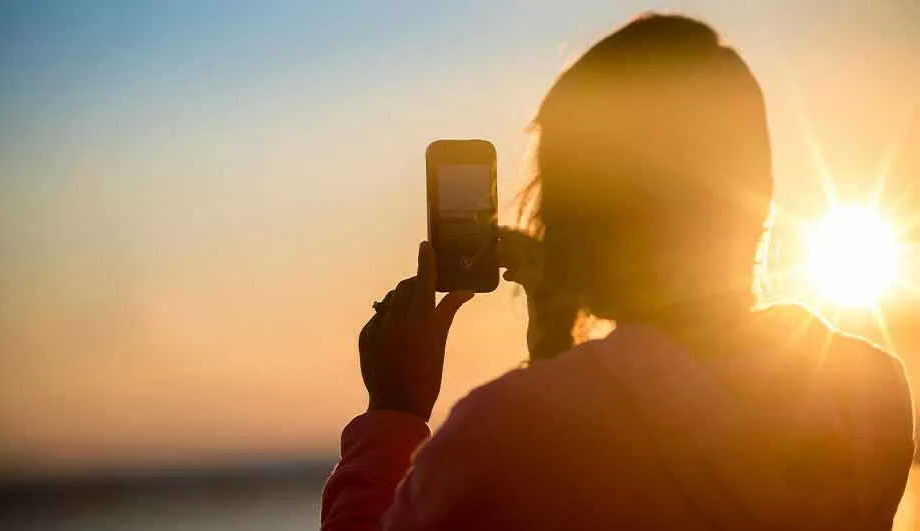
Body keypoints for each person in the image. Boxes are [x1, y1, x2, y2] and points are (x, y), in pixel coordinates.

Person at [321, 13, 915, 531]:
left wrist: (393, 413)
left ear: (578, 211)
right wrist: (554, 351)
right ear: (757, 195)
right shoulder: (870, 393)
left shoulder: (503, 432)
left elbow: (572, 449)